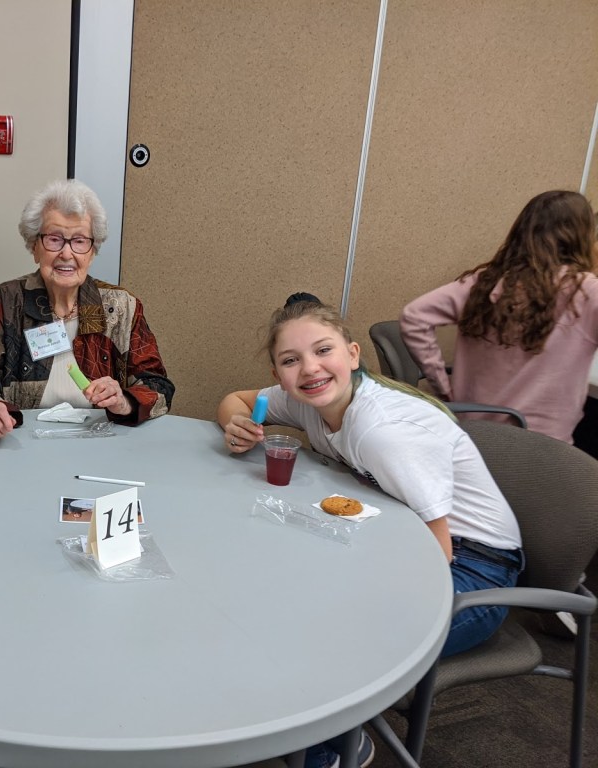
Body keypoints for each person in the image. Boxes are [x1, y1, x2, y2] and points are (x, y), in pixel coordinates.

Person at [217, 296, 522, 768]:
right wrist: (236, 423)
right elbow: (236, 400)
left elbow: (437, 556)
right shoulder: (309, 401)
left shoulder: (382, 432)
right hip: (408, 540)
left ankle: (331, 752)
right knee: (285, 599)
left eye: (323, 350)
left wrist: (353, 604)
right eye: (291, 360)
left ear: (353, 354)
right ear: (279, 374)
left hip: (475, 571)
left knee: (327, 644)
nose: (310, 368)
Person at [0, 178, 174, 439]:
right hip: (23, 440)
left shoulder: (121, 307)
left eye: (79, 241)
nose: (67, 254)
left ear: (92, 252)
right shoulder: (8, 300)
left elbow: (158, 386)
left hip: (100, 439)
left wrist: (124, 401)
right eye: (54, 239)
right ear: (34, 247)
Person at [400, 189, 598, 444]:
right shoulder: (585, 291)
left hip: (472, 437)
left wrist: (443, 387)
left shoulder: (485, 281)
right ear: (580, 237)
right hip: (542, 448)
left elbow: (413, 316)